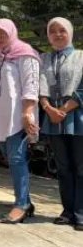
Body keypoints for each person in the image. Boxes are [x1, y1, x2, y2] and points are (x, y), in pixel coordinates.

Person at [0, 18, 40, 224]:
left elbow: (31, 84)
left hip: (18, 117)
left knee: (17, 158)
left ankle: (21, 205)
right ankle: (26, 201)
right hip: (1, 118)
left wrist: (27, 112)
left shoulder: (24, 53)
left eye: (3, 33)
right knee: (10, 157)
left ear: (12, 32)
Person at [38, 17, 83, 230]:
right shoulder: (44, 59)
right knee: (63, 168)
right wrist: (48, 109)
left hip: (77, 118)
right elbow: (40, 86)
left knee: (81, 167)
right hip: (53, 119)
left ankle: (80, 213)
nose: (57, 35)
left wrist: (63, 110)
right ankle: (67, 211)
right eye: (53, 31)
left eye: (62, 30)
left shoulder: (81, 56)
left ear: (70, 33)